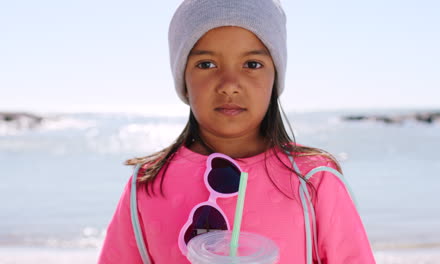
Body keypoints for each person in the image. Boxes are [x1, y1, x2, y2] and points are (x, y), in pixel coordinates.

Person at [98, 0, 376, 263]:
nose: (230, 84)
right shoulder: (147, 184)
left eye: (252, 65)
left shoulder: (313, 180)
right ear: (183, 77)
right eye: (206, 64)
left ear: (275, 76)